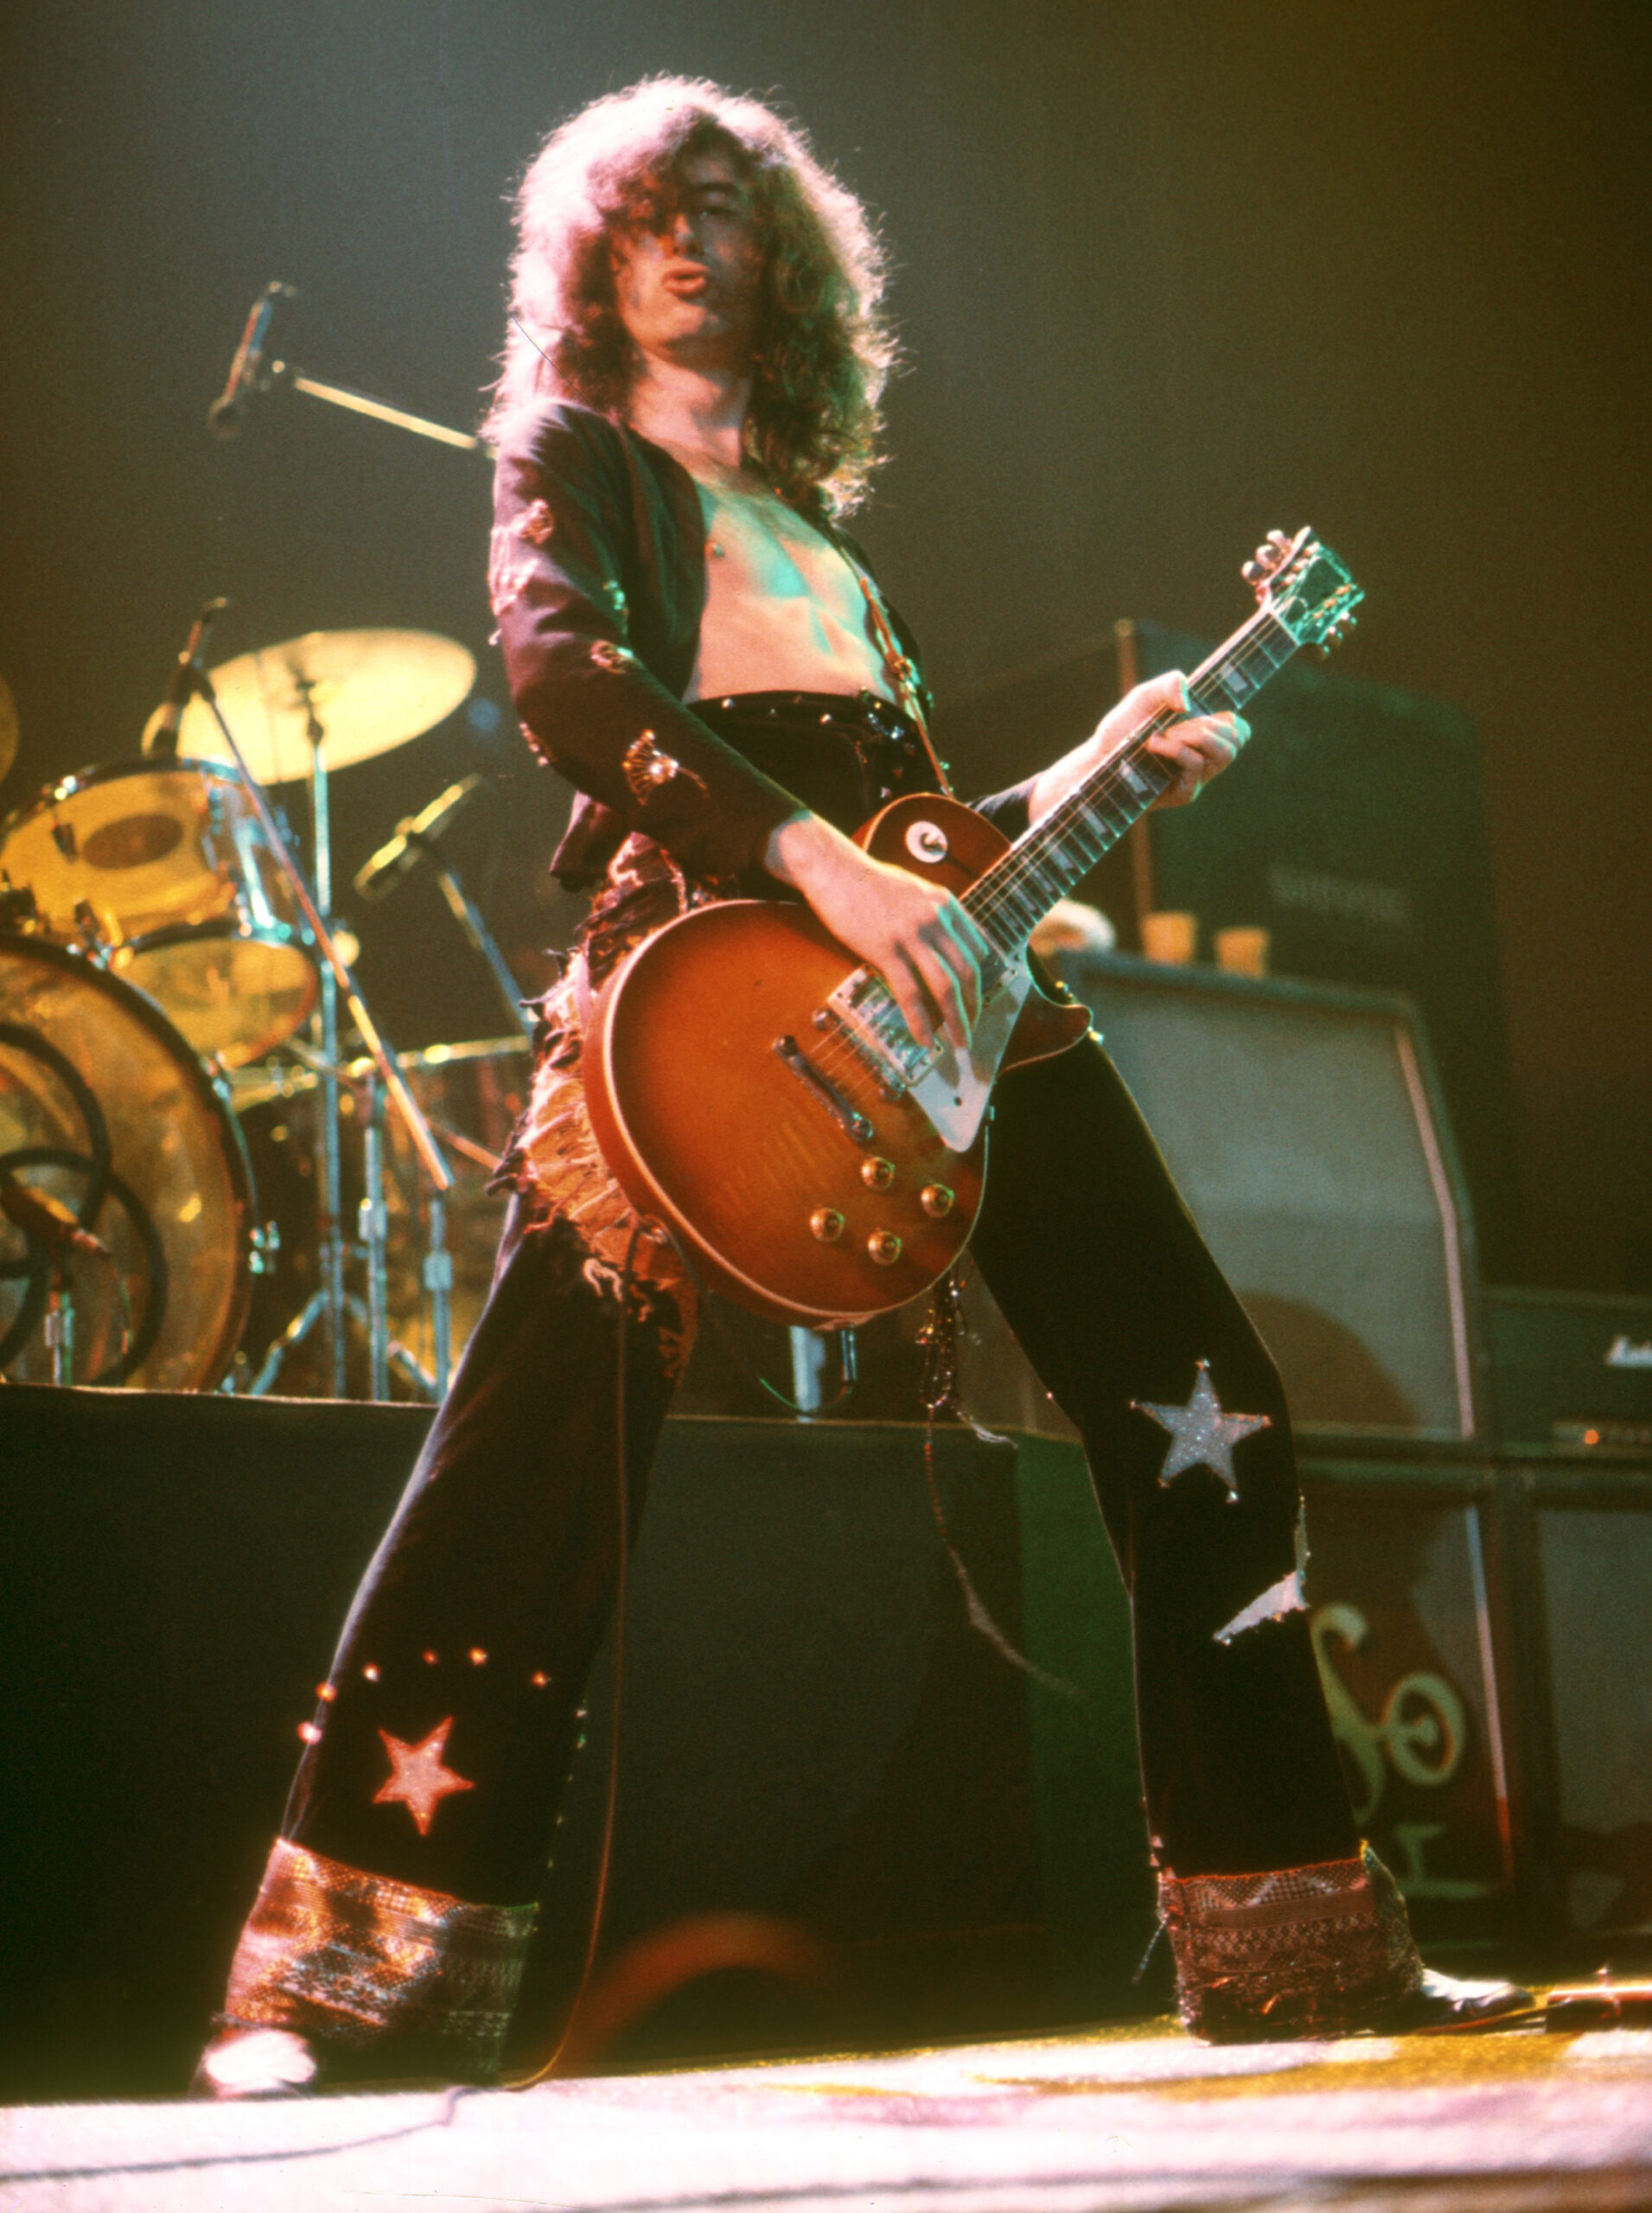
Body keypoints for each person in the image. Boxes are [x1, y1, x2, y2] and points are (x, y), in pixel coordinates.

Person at [195, 78, 1523, 2097]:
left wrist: (1100, 765)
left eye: (721, 204)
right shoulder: (572, 455)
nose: (681, 234)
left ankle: (1289, 1928)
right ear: (588, 256)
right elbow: (562, 680)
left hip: (939, 993)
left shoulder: (826, 545)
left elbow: (920, 837)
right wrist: (800, 856)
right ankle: (338, 1980)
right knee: (535, 1446)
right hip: (701, 984)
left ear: (781, 258)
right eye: (640, 207)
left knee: (1205, 1398)